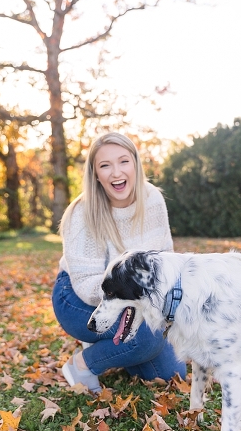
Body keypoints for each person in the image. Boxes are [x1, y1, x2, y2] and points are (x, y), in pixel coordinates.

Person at [52, 132, 186, 394]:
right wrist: (137, 304)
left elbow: (165, 261)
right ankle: (82, 364)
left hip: (136, 298)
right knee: (146, 336)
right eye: (105, 165)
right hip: (78, 299)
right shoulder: (82, 213)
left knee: (171, 374)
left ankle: (118, 346)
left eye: (123, 161)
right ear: (95, 174)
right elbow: (86, 283)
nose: (116, 173)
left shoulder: (153, 199)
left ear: (135, 163)